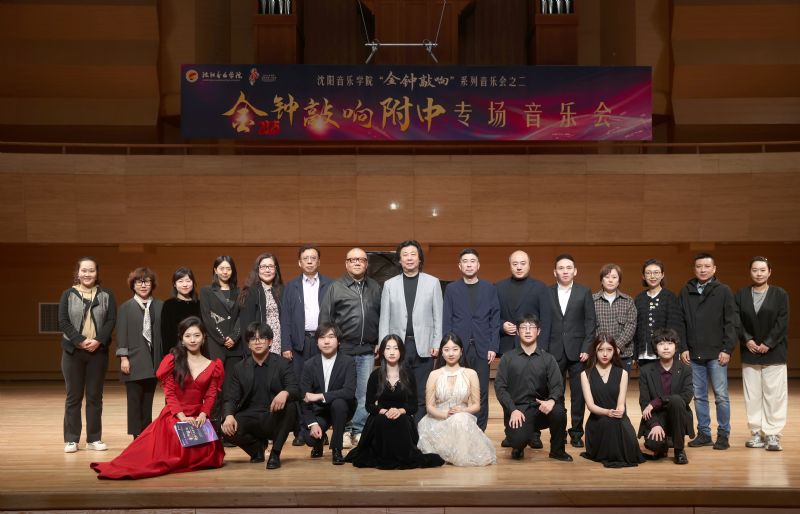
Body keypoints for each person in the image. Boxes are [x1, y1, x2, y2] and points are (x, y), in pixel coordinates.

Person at [90, 316, 225, 479]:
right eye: (188, 336)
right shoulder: (172, 361)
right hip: (175, 413)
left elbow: (211, 394)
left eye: (197, 335)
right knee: (174, 440)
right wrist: (182, 417)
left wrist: (203, 414)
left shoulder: (214, 365)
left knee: (211, 453)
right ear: (182, 340)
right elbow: (170, 393)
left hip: (198, 415)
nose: (192, 340)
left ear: (204, 338)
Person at [345, 335, 445, 469]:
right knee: (381, 421)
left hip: (402, 414)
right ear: (382, 351)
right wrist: (385, 411)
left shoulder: (408, 375)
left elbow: (413, 406)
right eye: (388, 348)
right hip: (380, 414)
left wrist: (399, 411)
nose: (391, 352)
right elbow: (369, 405)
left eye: (395, 348)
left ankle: (401, 455)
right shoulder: (375, 375)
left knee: (402, 422)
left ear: (401, 351)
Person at [319, 247, 381, 448]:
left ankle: (359, 430)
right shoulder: (335, 287)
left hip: (367, 350)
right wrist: (329, 344)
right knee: (343, 392)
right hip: (343, 349)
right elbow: (325, 319)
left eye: (361, 260)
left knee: (363, 394)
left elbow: (382, 316)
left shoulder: (375, 287)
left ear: (366, 264)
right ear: (346, 264)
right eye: (352, 260)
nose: (357, 262)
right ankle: (344, 430)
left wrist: (379, 340)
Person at [378, 240, 443, 422]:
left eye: (413, 254)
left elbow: (438, 316)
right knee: (399, 391)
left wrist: (437, 343)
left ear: (419, 258)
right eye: (405, 255)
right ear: (399, 260)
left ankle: (418, 430)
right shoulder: (389, 284)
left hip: (424, 345)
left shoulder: (433, 282)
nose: (409, 258)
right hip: (398, 346)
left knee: (422, 392)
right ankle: (402, 429)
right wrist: (384, 346)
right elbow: (384, 319)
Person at [221, 322, 299, 469]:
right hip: (250, 415)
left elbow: (295, 389)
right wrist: (229, 416)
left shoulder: (282, 363)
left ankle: (275, 453)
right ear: (248, 344)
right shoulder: (240, 368)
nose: (257, 342)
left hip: (273, 415)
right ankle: (256, 449)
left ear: (270, 342)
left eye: (262, 338)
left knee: (291, 406)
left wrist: (285, 392)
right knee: (225, 428)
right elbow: (231, 397)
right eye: (253, 339)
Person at [494, 315, 572, 462]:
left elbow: (557, 385)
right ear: (517, 332)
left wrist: (551, 401)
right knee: (518, 440)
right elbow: (500, 388)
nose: (528, 331)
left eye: (532, 327)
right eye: (524, 327)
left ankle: (557, 451)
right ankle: (518, 442)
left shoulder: (548, 359)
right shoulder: (507, 358)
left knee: (559, 411)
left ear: (539, 331)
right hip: (519, 410)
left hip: (541, 407)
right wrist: (512, 410)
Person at [59, 257, 117, 454]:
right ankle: (71, 439)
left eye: (91, 270)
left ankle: (94, 438)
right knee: (73, 397)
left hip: (97, 352)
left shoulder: (107, 294)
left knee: (94, 397)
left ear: (96, 273)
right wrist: (79, 340)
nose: (87, 274)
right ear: (78, 272)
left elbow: (111, 320)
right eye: (84, 270)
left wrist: (98, 340)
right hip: (73, 352)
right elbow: (63, 321)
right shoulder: (68, 294)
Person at [679, 252, 737, 450]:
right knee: (699, 396)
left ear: (714, 269)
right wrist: (683, 347)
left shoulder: (723, 290)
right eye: (699, 266)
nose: (702, 270)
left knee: (721, 396)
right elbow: (681, 322)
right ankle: (704, 433)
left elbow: (731, 322)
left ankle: (723, 434)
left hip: (717, 353)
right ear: (694, 269)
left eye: (706, 266)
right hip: (694, 353)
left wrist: (727, 349)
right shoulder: (686, 290)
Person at [735, 256, 790, 452]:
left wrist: (768, 343)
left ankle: (773, 434)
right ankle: (756, 432)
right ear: (750, 272)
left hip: (774, 352)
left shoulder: (780, 294)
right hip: (750, 351)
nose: (758, 273)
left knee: (774, 396)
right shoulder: (741, 294)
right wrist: (747, 340)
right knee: (752, 396)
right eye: (755, 270)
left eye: (762, 270)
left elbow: (782, 322)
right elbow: (736, 320)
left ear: (769, 272)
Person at [442, 248, 501, 431]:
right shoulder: (452, 289)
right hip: (458, 349)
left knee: (480, 391)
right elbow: (447, 319)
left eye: (472, 261)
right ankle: (459, 427)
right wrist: (449, 347)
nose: (469, 264)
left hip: (483, 347)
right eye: (465, 261)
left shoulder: (489, 288)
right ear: (460, 266)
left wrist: (493, 346)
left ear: (478, 265)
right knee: (458, 390)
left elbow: (495, 319)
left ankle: (479, 430)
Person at [280, 244, 333, 446]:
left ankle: (322, 427)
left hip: (323, 342)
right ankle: (303, 430)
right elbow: (285, 319)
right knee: (301, 387)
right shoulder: (291, 286)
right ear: (299, 263)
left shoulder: (330, 284)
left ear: (319, 261)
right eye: (306, 258)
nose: (310, 261)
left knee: (322, 385)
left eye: (313, 258)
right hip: (299, 343)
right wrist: (286, 346)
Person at [417, 333, 496, 466]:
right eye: (446, 350)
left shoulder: (471, 374)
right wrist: (446, 415)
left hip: (463, 419)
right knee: (458, 420)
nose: (451, 353)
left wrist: (462, 411)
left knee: (460, 419)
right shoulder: (434, 374)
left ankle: (458, 456)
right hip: (438, 421)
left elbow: (477, 405)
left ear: (461, 351)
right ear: (441, 352)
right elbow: (429, 407)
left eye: (455, 349)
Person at [543, 253, 596, 448]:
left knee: (578, 395)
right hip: (554, 351)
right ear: (554, 272)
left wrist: (587, 348)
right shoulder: (546, 292)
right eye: (561, 268)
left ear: (575, 271)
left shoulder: (584, 292)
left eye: (568, 268)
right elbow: (544, 322)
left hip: (578, 352)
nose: (565, 271)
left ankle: (576, 433)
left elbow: (590, 322)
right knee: (556, 393)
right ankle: (559, 432)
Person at [580, 334, 644, 468]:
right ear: (595, 351)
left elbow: (621, 403)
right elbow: (590, 406)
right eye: (600, 350)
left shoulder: (623, 373)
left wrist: (619, 411)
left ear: (614, 351)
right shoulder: (586, 374)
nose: (605, 354)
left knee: (629, 442)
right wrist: (607, 412)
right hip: (598, 419)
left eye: (609, 350)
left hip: (617, 417)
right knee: (609, 424)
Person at [116, 267, 164, 439]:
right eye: (139, 282)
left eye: (147, 282)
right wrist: (124, 358)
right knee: (134, 401)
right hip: (134, 361)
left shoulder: (160, 306)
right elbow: (121, 334)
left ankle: (146, 436)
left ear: (152, 284)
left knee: (148, 402)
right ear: (133, 285)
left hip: (153, 361)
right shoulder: (125, 307)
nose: (143, 285)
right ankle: (137, 437)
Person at [300, 322, 357, 465]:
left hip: (342, 408)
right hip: (319, 411)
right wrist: (313, 424)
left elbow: (349, 392)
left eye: (331, 337)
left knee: (339, 403)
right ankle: (319, 442)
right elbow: (304, 398)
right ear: (317, 342)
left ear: (338, 341)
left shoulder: (348, 362)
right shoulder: (309, 365)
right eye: (322, 337)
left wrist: (320, 396)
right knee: (309, 439)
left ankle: (336, 448)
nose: (326, 341)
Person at [638, 328, 694, 465]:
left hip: (678, 415)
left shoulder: (685, 369)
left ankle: (679, 450)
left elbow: (686, 396)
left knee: (676, 400)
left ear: (676, 346)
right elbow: (644, 401)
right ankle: (663, 445)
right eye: (661, 344)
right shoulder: (646, 371)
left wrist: (658, 401)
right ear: (655, 348)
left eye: (670, 343)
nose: (666, 347)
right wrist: (654, 424)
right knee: (654, 444)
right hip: (657, 416)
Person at [633, 259, 684, 371]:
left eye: (656, 272)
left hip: (664, 354)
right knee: (645, 381)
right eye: (648, 273)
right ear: (643, 276)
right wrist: (635, 354)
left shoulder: (670, 297)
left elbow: (674, 328)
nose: (652, 276)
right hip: (643, 355)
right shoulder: (639, 299)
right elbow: (635, 329)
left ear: (662, 275)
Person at [199, 256, 243, 378]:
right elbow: (206, 318)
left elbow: (242, 316)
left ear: (232, 271)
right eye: (221, 268)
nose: (225, 272)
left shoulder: (239, 292)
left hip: (235, 345)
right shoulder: (206, 291)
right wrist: (222, 339)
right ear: (215, 270)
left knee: (233, 381)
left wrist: (234, 337)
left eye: (228, 269)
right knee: (215, 381)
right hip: (214, 343)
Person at [592, 263, 637, 372]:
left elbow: (631, 326)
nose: (610, 280)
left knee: (622, 383)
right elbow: (589, 327)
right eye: (607, 277)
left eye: (614, 277)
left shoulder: (628, 301)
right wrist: (602, 348)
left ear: (619, 280)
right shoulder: (592, 300)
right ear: (601, 280)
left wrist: (616, 346)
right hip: (598, 354)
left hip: (623, 355)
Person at [239, 252, 284, 355]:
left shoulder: (282, 290)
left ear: (276, 269)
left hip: (279, 341)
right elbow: (246, 325)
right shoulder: (250, 292)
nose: (267, 270)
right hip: (259, 343)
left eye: (271, 266)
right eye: (263, 267)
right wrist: (249, 351)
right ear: (257, 269)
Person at [160, 267, 201, 360]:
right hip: (176, 353)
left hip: (197, 352)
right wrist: (170, 356)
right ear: (174, 284)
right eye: (180, 281)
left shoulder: (199, 304)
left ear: (193, 283)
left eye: (188, 281)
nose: (185, 285)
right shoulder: (168, 305)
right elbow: (166, 333)